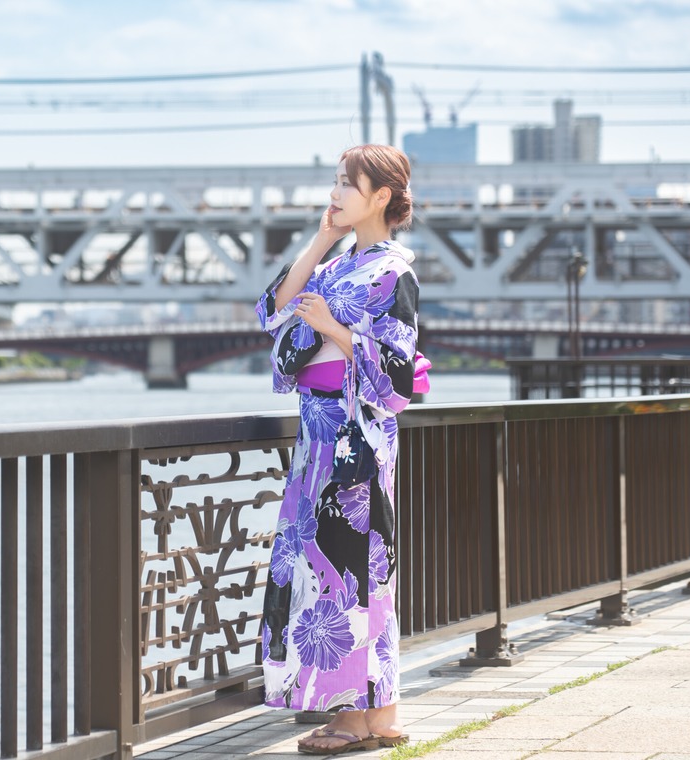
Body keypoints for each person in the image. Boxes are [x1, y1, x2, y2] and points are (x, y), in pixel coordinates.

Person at [255, 143, 424, 754]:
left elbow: (399, 374)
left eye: (347, 185)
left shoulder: (393, 271)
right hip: (319, 437)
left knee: (349, 569)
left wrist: (332, 327)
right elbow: (273, 312)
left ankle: (353, 719)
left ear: (381, 196)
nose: (335, 194)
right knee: (345, 570)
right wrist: (322, 238)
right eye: (336, 182)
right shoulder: (335, 265)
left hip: (355, 437)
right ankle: (380, 714)